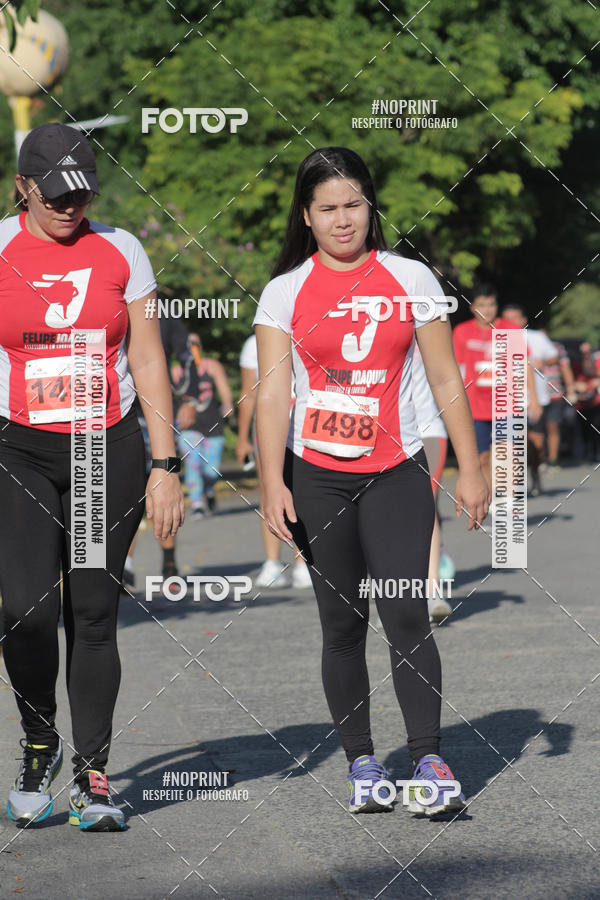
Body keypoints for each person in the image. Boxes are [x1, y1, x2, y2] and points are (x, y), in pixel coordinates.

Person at [254, 146, 489, 815]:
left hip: (396, 471)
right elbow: (273, 397)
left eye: (353, 204)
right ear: (306, 215)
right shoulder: (284, 292)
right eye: (327, 208)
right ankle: (362, 762)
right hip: (318, 478)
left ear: (370, 205)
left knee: (406, 613)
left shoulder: (410, 277)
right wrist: (272, 480)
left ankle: (429, 760)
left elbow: (447, 378)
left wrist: (470, 468)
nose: (342, 219)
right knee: (341, 624)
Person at [1, 123, 184, 831]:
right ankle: (40, 738)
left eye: (81, 192)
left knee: (93, 610)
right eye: (54, 194)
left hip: (104, 446)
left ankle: (95, 772)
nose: (69, 206)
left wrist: (166, 464)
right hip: (19, 447)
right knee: (24, 610)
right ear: (23, 186)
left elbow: (146, 360)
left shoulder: (123, 250)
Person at [237, 333, 312, 589]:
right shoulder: (253, 343)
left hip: (305, 425)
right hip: (270, 427)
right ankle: (272, 562)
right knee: (269, 489)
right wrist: (243, 436)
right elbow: (249, 393)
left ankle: (303, 562)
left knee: (301, 493)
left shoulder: (308, 335)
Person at [453, 285, 541, 493]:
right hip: (475, 407)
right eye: (482, 305)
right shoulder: (462, 332)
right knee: (483, 458)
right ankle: (491, 502)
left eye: (492, 304)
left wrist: (534, 400)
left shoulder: (510, 329)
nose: (488, 309)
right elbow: (455, 371)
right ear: (473, 307)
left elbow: (525, 364)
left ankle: (507, 507)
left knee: (506, 455)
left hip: (506, 405)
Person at [411, 344, 454, 624]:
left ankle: (432, 591)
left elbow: (449, 382)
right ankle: (397, 597)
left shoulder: (431, 327)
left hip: (427, 430)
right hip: (379, 436)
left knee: (424, 508)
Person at [501, 305, 559, 496]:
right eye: (507, 318)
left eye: (515, 318)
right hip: (510, 401)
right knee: (515, 442)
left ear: (523, 319)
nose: (511, 322)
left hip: (536, 399)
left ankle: (536, 473)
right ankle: (516, 484)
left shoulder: (536, 337)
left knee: (537, 442)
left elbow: (554, 356)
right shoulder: (499, 339)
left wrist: (544, 362)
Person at [175, 333, 233, 518]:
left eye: (195, 344)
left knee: (211, 470)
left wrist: (227, 405)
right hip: (189, 427)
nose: (192, 348)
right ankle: (197, 503)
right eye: (188, 345)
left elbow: (224, 390)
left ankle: (209, 490)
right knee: (193, 464)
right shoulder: (177, 372)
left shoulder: (212, 366)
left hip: (212, 424)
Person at [539, 330, 576, 469]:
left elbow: (565, 368)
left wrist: (571, 388)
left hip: (555, 394)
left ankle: (553, 459)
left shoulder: (557, 347)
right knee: (537, 431)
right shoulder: (527, 347)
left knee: (553, 427)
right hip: (534, 397)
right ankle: (540, 459)